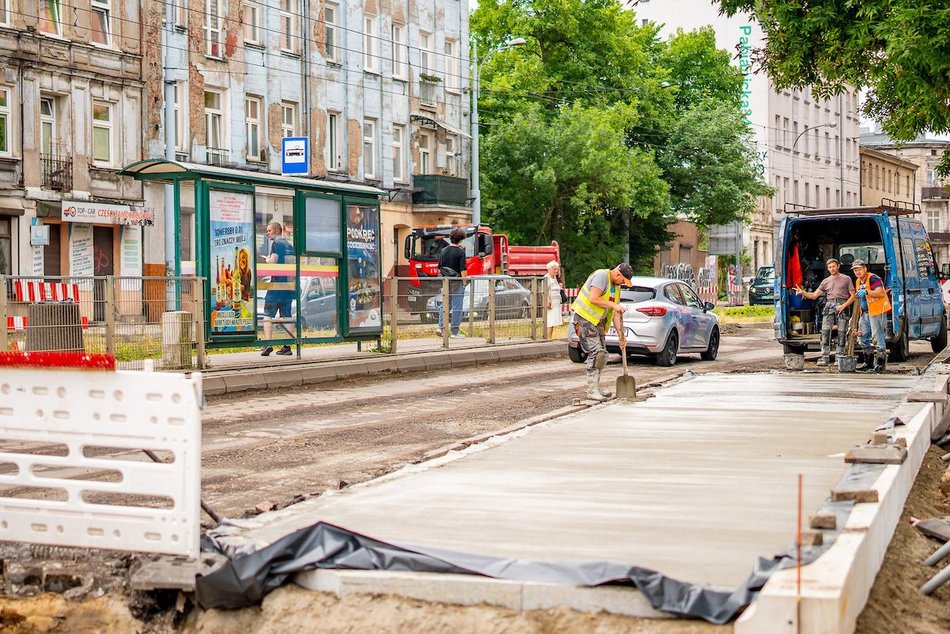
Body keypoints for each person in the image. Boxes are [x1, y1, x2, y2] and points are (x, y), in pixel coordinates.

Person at [571, 263, 634, 401]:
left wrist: (621, 335)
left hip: (598, 323)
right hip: (585, 319)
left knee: (602, 355)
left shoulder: (616, 287)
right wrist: (614, 305)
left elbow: (615, 313)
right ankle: (592, 391)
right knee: (596, 353)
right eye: (623, 280)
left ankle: (596, 388)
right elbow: (593, 298)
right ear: (618, 273)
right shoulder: (601, 276)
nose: (622, 283)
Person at [794, 257, 855, 366]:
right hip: (829, 305)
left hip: (843, 305)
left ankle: (839, 358)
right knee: (825, 332)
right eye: (830, 267)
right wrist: (802, 292)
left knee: (842, 333)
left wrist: (843, 306)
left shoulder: (846, 279)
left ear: (838, 266)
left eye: (834, 266)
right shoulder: (825, 281)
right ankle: (824, 357)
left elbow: (853, 296)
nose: (832, 269)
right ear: (827, 268)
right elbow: (814, 295)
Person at [261, 222, 296, 356]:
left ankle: (268, 344)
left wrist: (267, 260)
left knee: (267, 315)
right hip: (288, 286)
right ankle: (287, 346)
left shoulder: (276, 243)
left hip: (276, 285)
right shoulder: (289, 245)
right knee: (287, 316)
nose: (267, 233)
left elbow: (273, 262)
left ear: (277, 231)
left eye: (269, 231)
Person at [851, 259, 891, 372]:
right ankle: (868, 363)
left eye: (859, 269)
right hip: (864, 313)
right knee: (863, 337)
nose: (857, 272)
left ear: (865, 269)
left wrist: (867, 292)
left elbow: (881, 293)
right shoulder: (858, 281)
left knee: (878, 337)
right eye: (855, 270)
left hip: (876, 311)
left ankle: (880, 365)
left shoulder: (873, 278)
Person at [437, 226, 468, 338]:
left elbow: (439, 267)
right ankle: (455, 332)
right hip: (457, 282)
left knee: (444, 305)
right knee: (457, 307)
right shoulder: (461, 252)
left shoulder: (443, 251)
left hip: (446, 282)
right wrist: (464, 283)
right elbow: (463, 270)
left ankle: (441, 328)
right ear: (461, 239)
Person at [544, 260, 564, 339]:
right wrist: (548, 300)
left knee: (552, 320)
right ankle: (548, 337)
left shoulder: (555, 278)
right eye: (554, 269)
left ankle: (550, 337)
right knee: (550, 320)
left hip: (556, 302)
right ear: (549, 269)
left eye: (557, 269)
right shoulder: (547, 278)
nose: (556, 271)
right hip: (551, 302)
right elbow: (545, 290)